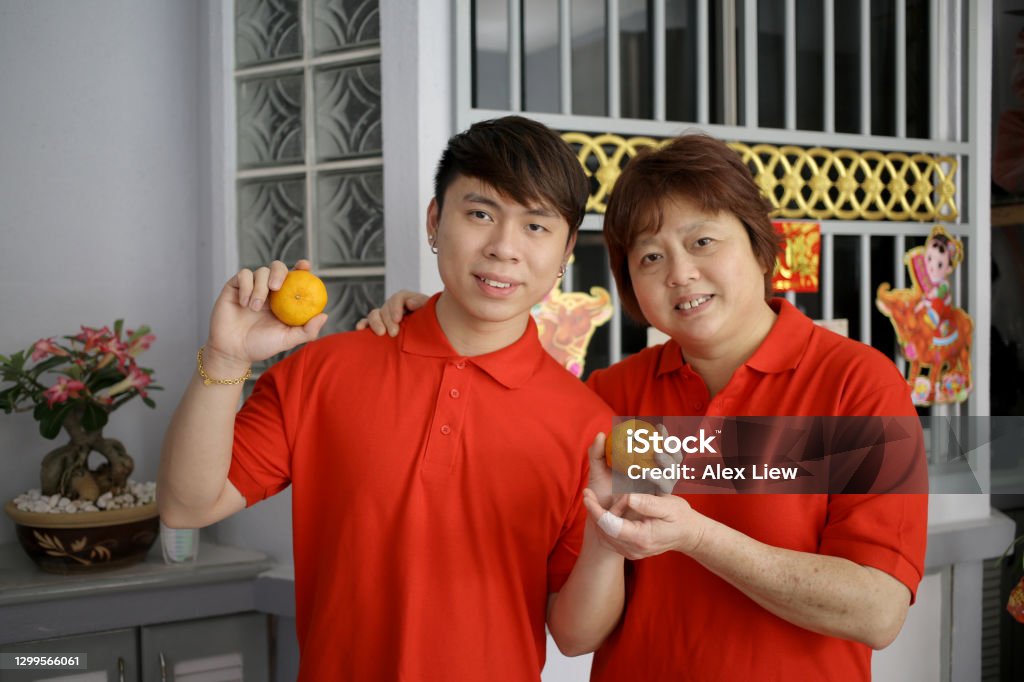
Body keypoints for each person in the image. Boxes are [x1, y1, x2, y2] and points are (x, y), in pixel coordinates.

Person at [363, 132, 929, 680]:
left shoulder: (856, 383)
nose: (680, 273)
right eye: (651, 256)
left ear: (761, 247)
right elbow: (503, 416)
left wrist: (697, 536)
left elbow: (877, 610)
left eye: (702, 242)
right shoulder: (615, 395)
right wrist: (434, 326)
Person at [158, 116, 623, 680]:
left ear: (568, 249)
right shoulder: (324, 371)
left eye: (536, 226)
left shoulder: (587, 424)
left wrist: (610, 539)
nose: (503, 248)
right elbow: (187, 506)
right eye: (480, 214)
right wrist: (228, 358)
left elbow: (576, 638)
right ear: (435, 221)